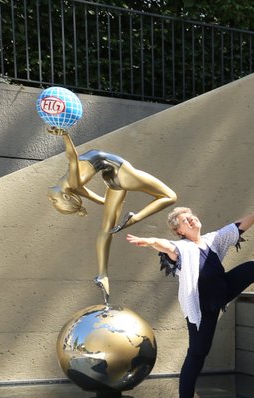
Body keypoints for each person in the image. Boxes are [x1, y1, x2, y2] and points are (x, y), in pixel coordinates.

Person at [127, 205, 254, 398]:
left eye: (192, 216)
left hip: (223, 290)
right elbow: (166, 246)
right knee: (198, 352)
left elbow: (237, 227)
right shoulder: (182, 248)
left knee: (252, 268)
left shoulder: (211, 240)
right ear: (180, 231)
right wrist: (150, 241)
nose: (191, 220)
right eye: (185, 220)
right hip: (202, 308)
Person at [47, 126, 177, 304]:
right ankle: (135, 218)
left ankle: (102, 274)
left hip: (111, 179)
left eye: (53, 202)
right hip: (121, 172)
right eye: (55, 201)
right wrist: (65, 136)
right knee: (169, 196)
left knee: (106, 229)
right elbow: (72, 157)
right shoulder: (73, 182)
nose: (50, 199)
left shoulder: (73, 185)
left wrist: (107, 203)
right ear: (66, 196)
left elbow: (97, 198)